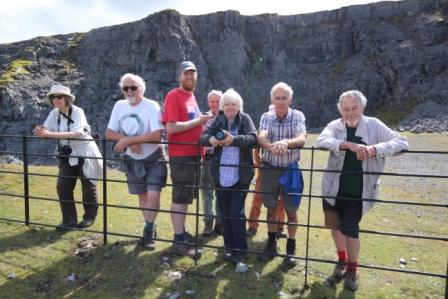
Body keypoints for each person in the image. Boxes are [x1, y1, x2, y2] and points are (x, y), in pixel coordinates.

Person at [317, 90, 409, 291]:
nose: (350, 113)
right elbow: (321, 140)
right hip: (332, 189)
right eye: (346, 109)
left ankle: (352, 269)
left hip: (359, 193)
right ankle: (341, 260)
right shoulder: (335, 125)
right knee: (334, 226)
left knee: (350, 229)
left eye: (354, 108)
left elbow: (402, 143)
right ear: (341, 110)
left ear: (363, 108)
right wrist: (348, 145)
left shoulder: (374, 125)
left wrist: (374, 150)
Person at [106, 73, 167, 250]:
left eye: (133, 87)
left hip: (154, 158)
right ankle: (150, 226)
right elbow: (110, 132)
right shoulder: (119, 106)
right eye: (125, 88)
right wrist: (128, 140)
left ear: (142, 88)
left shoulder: (151, 106)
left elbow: (157, 136)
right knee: (142, 195)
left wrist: (128, 141)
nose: (129, 91)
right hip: (132, 160)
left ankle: (148, 230)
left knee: (154, 194)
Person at [200, 88, 257, 265]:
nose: (230, 107)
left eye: (233, 104)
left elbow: (253, 139)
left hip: (240, 175)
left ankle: (241, 250)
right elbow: (203, 136)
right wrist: (211, 140)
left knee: (236, 213)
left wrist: (234, 140)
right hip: (221, 174)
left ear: (239, 106)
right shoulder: (219, 119)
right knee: (225, 213)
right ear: (222, 107)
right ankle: (229, 247)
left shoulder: (245, 118)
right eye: (227, 104)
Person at [33, 84, 102, 231]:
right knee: (62, 187)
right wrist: (41, 130)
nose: (56, 100)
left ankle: (89, 217)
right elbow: (47, 129)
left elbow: (77, 133)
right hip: (67, 155)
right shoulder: (54, 113)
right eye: (53, 97)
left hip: (85, 153)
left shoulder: (77, 112)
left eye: (59, 97)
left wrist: (49, 134)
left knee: (88, 186)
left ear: (67, 98)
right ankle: (69, 221)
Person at [162, 61, 212, 258]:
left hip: (193, 154)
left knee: (185, 196)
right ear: (180, 76)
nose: (190, 77)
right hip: (181, 155)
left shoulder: (190, 96)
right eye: (186, 73)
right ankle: (178, 238)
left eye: (193, 73)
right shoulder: (174, 95)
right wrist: (198, 121)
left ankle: (181, 233)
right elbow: (171, 128)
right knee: (180, 196)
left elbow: (192, 124)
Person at [257, 82, 306, 266]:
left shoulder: (297, 116)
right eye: (277, 98)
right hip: (270, 168)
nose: (280, 101)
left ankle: (291, 249)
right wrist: (271, 147)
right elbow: (261, 136)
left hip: (290, 169)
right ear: (272, 99)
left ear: (290, 99)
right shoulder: (266, 117)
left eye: (284, 97)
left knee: (291, 210)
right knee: (270, 208)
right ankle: (271, 244)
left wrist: (285, 142)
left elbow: (302, 138)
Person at [247, 106, 287, 238]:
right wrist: (259, 167)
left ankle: (280, 227)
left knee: (281, 199)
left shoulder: (285, 132)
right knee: (257, 198)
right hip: (265, 169)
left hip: (282, 169)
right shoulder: (263, 132)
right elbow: (256, 151)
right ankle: (252, 226)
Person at [201, 90, 223, 236]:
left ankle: (219, 224)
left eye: (217, 101)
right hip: (207, 159)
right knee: (207, 192)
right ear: (209, 102)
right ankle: (208, 223)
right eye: (212, 101)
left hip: (222, 160)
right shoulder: (203, 118)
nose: (214, 104)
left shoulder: (226, 118)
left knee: (221, 192)